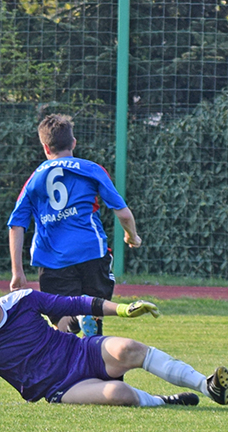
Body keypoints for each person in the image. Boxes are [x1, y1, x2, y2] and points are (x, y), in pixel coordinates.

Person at [0, 278, 228, 408]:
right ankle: (163, 401)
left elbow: (76, 304)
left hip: (79, 351)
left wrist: (125, 309)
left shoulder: (22, 301)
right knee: (120, 396)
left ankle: (207, 386)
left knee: (129, 348)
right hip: (59, 388)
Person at [8, 114, 142, 337]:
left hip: (52, 260)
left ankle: (70, 327)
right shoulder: (91, 169)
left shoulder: (34, 179)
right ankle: (90, 332)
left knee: (60, 323)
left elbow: (16, 225)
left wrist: (17, 272)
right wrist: (132, 236)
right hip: (90, 252)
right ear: (73, 143)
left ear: (45, 147)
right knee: (93, 311)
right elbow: (123, 214)